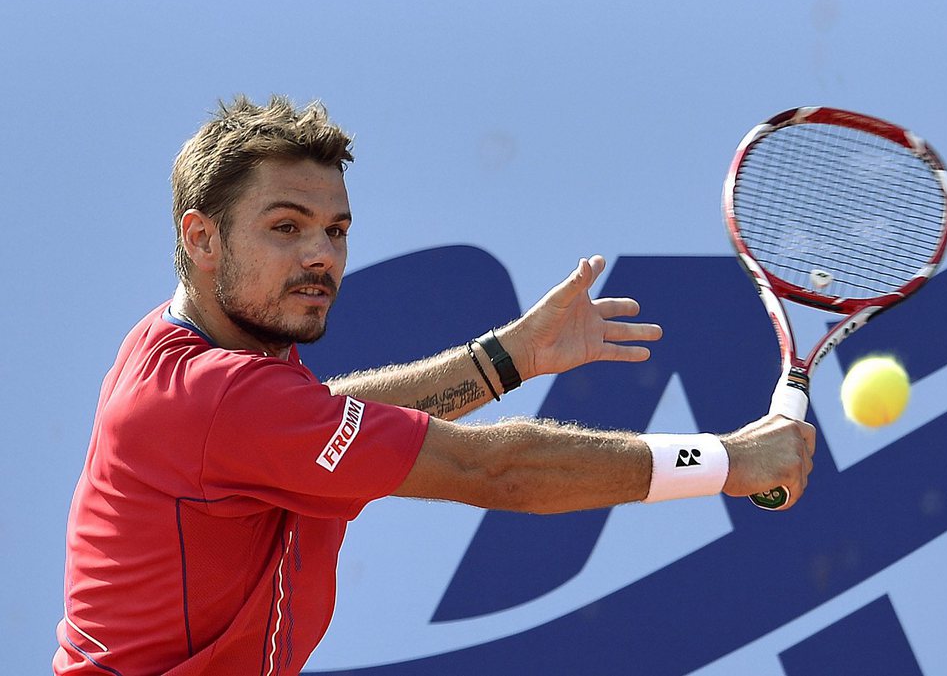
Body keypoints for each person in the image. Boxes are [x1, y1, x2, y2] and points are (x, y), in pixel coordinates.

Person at [54, 95, 815, 675]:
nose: (321, 254)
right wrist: (732, 461)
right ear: (202, 237)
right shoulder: (214, 398)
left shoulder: (195, 343)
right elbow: (495, 469)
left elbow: (320, 422)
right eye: (286, 227)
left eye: (336, 229)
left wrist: (505, 357)